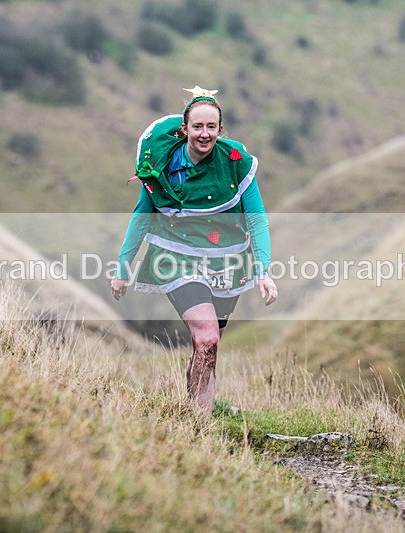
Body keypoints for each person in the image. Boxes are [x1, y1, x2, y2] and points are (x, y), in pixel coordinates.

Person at [111, 86, 278, 415]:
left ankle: (196, 407)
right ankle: (199, 421)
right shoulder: (162, 166)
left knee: (210, 346)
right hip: (176, 258)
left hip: (227, 262)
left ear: (220, 130)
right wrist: (123, 268)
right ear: (184, 129)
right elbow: (142, 217)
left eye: (211, 127)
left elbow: (256, 221)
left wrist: (263, 270)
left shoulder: (236, 165)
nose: (204, 134)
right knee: (207, 337)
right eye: (198, 127)